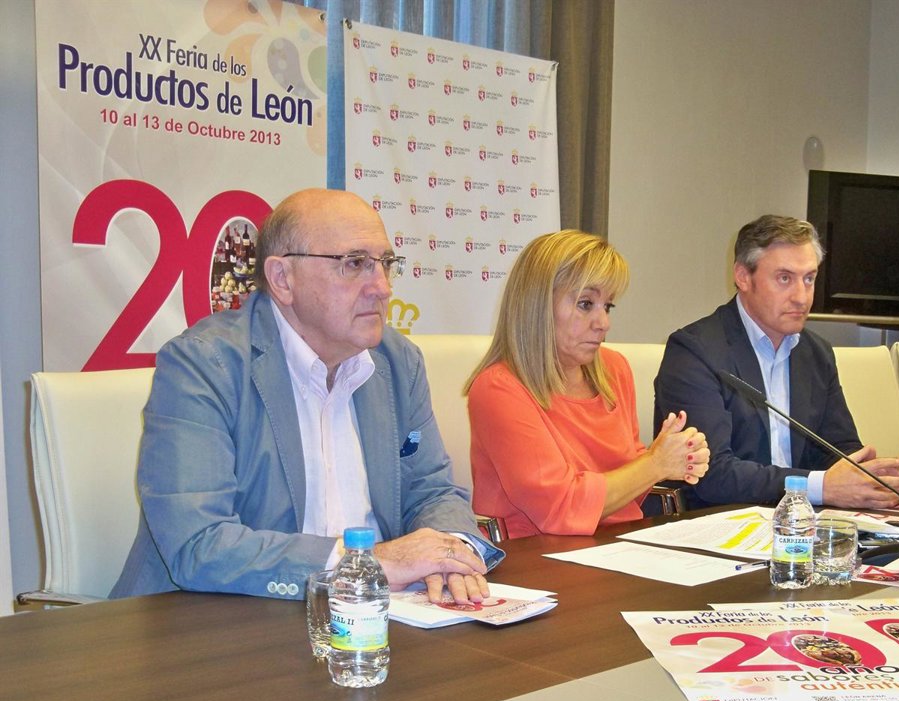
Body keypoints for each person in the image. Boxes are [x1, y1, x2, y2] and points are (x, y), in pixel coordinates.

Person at [111, 188, 502, 603]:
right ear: (283, 279)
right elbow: (199, 544)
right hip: (217, 622)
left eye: (386, 264)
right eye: (355, 264)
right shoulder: (204, 366)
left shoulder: (397, 362)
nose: (382, 287)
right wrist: (365, 563)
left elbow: (432, 490)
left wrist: (451, 553)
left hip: (375, 616)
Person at [654, 214, 899, 511]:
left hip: (804, 520)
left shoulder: (816, 353)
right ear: (743, 277)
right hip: (722, 519)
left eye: (809, 279)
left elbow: (837, 449)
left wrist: (870, 479)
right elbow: (712, 474)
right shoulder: (694, 351)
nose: (801, 297)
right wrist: (819, 487)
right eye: (784, 279)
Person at [465, 230, 710, 539]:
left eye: (607, 306)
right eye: (585, 304)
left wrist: (675, 456)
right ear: (536, 305)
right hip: (535, 554)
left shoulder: (614, 369)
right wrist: (655, 464)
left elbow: (630, 486)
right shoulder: (497, 389)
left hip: (619, 545)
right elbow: (561, 509)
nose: (603, 323)